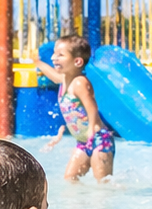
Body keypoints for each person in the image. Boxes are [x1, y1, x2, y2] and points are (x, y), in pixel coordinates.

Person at [37, 34, 114, 182]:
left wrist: (92, 129)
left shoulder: (79, 83)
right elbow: (53, 76)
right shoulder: (65, 81)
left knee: (103, 183)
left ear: (77, 61)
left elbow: (91, 107)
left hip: (98, 138)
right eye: (54, 53)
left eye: (60, 55)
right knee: (70, 177)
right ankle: (80, 205)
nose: (54, 58)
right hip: (83, 142)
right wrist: (37, 62)